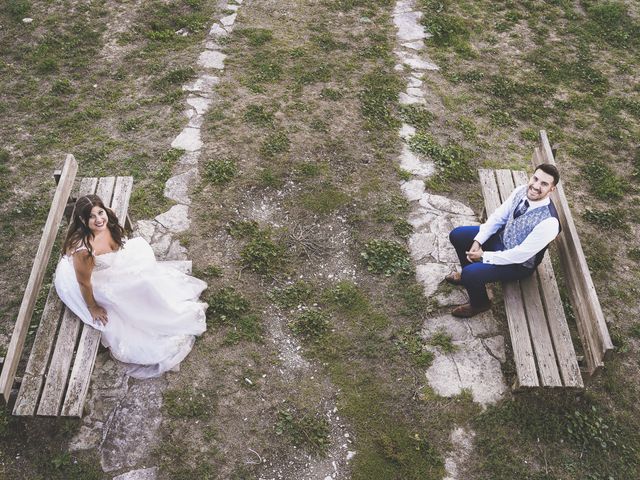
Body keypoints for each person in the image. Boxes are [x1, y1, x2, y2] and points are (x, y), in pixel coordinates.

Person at [54, 194, 207, 378]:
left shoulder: (108, 216)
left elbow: (113, 229)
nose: (99, 219)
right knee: (140, 286)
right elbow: (84, 283)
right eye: (92, 217)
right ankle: (153, 315)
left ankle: (161, 307)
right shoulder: (84, 250)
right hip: (96, 282)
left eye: (100, 213)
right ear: (82, 220)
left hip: (115, 264)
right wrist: (92, 307)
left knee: (146, 277)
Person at [446, 164, 561, 318]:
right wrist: (478, 241)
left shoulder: (549, 223)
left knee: (470, 273)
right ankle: (468, 279)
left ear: (551, 189)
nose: (535, 186)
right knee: (457, 235)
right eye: (535, 178)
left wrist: (483, 257)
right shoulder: (521, 190)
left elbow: (520, 255)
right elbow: (499, 216)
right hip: (502, 239)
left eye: (544, 184)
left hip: (518, 264)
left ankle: (480, 303)